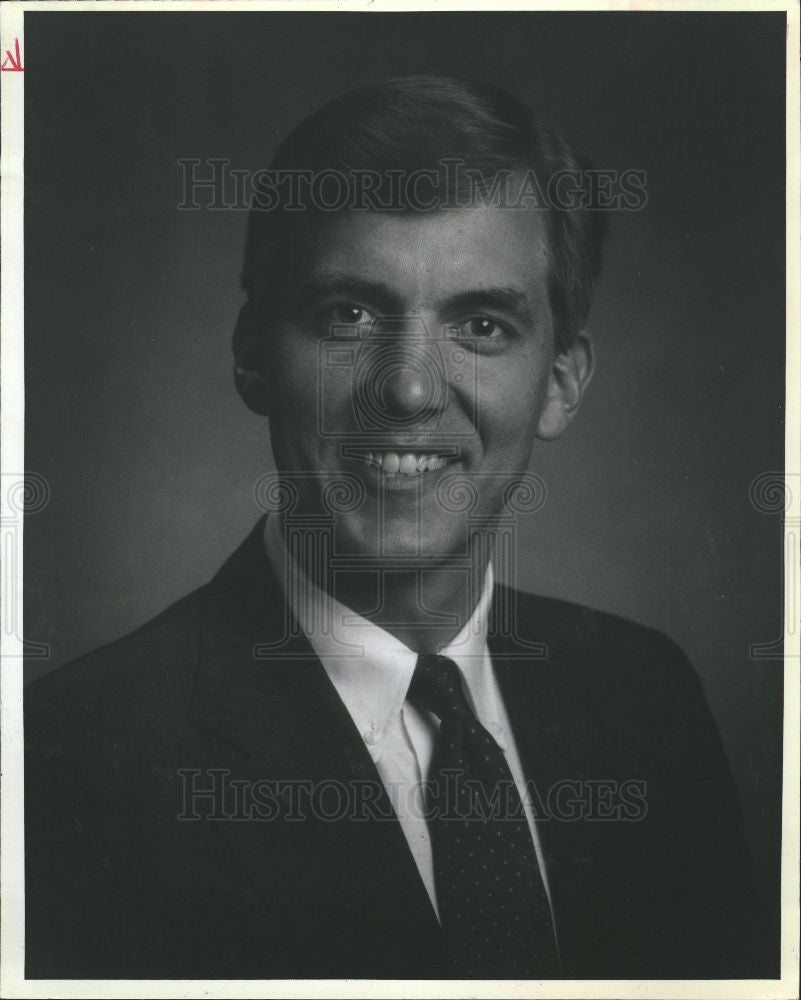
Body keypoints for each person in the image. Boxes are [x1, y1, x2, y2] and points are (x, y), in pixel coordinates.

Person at [25, 75, 759, 980]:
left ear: (561, 381)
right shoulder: (73, 762)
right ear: (253, 352)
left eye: (481, 325)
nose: (408, 391)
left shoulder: (649, 699)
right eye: (349, 315)